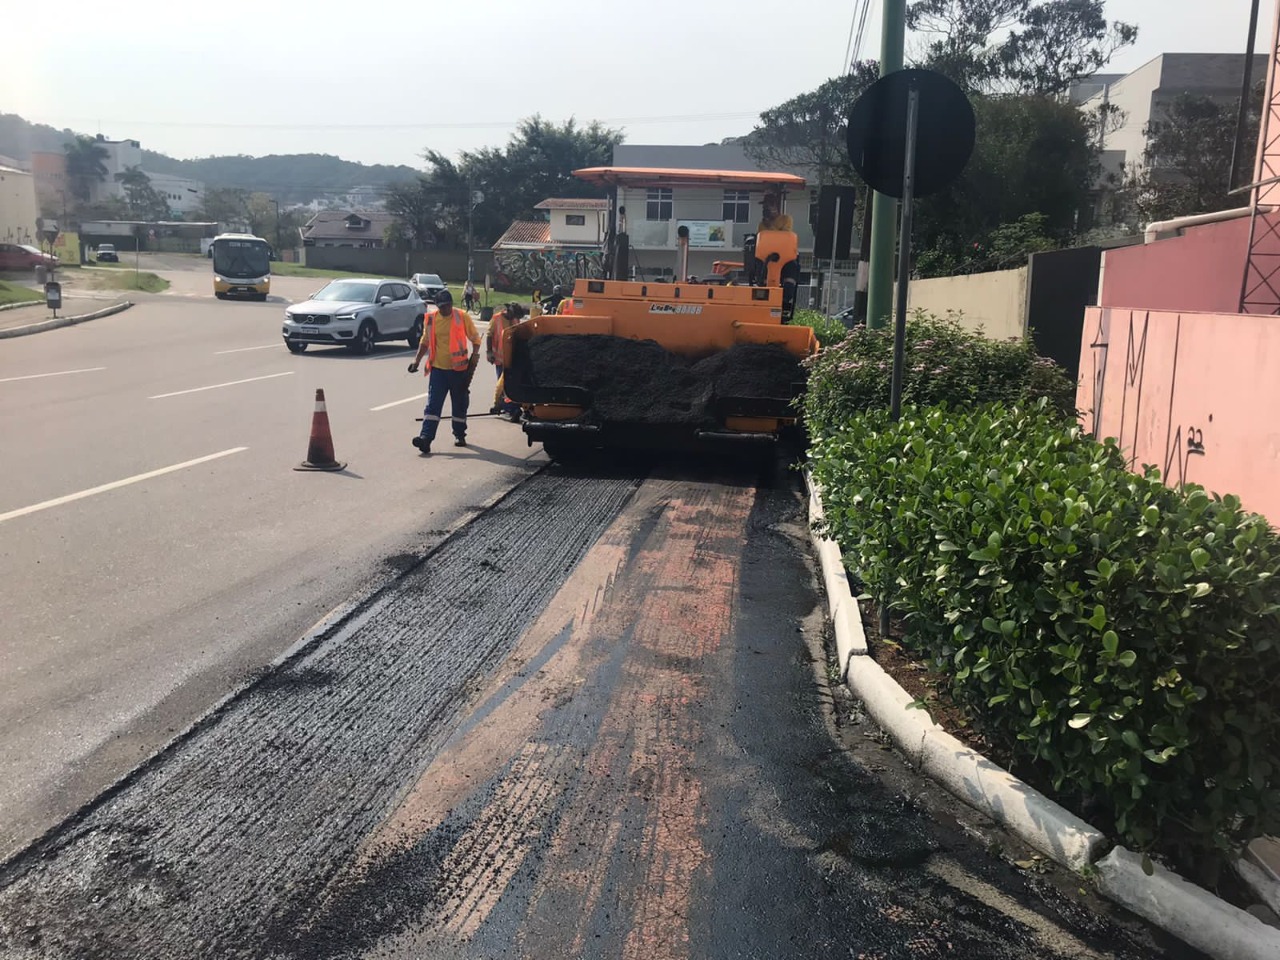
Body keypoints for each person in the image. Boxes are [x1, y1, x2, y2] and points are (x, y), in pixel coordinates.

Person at [407, 290, 481, 453]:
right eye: (442, 307)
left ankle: (459, 434)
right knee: (433, 405)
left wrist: (474, 357)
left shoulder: (461, 317)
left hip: (459, 370)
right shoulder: (432, 319)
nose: (445, 309)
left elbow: (475, 338)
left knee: (459, 404)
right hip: (438, 370)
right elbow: (425, 342)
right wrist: (416, 361)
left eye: (447, 306)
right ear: (438, 306)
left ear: (451, 304)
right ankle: (425, 438)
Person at [487, 302, 525, 420]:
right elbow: (489, 335)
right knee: (503, 385)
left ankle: (509, 406)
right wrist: (489, 352)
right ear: (508, 311)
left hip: (511, 359)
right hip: (499, 359)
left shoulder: (515, 320)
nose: (515, 318)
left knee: (509, 385)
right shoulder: (496, 318)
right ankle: (509, 407)